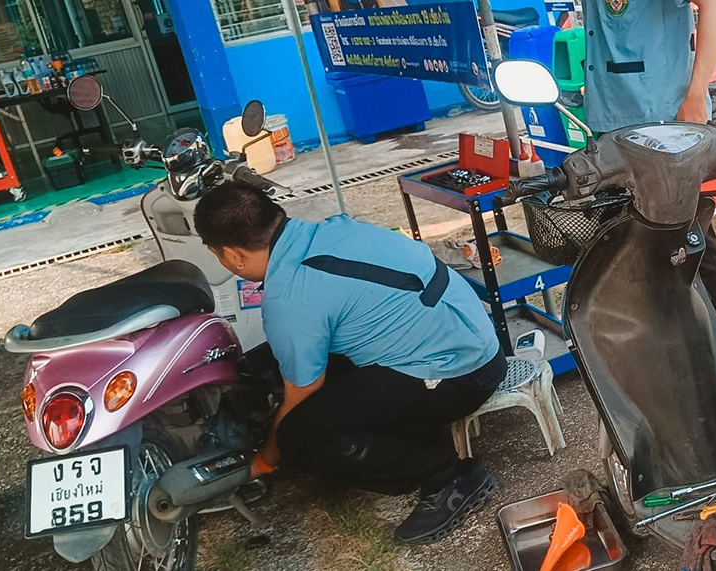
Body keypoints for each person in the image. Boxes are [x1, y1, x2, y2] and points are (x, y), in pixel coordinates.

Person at [193, 182, 505, 544]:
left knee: (297, 437)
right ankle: (416, 434)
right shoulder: (332, 228)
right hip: (470, 337)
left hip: (461, 372)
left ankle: (447, 475)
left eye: (216, 254)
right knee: (273, 363)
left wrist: (265, 459)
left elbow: (302, 393)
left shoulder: (289, 299)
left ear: (233, 254)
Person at [581, 0, 716, 348]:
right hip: (612, 116)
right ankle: (658, 344)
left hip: (660, 116)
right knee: (625, 240)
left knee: (687, 232)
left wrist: (696, 94)